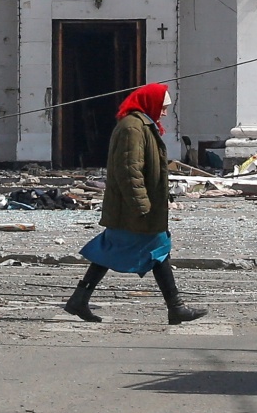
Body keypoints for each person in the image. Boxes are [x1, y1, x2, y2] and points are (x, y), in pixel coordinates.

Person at [64, 83, 207, 325]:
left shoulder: (142, 126)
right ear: (150, 103)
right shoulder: (133, 128)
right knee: (157, 249)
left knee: (115, 250)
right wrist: (141, 205)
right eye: (163, 106)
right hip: (133, 208)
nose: (164, 112)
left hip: (133, 207)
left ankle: (80, 299)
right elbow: (129, 170)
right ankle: (176, 307)